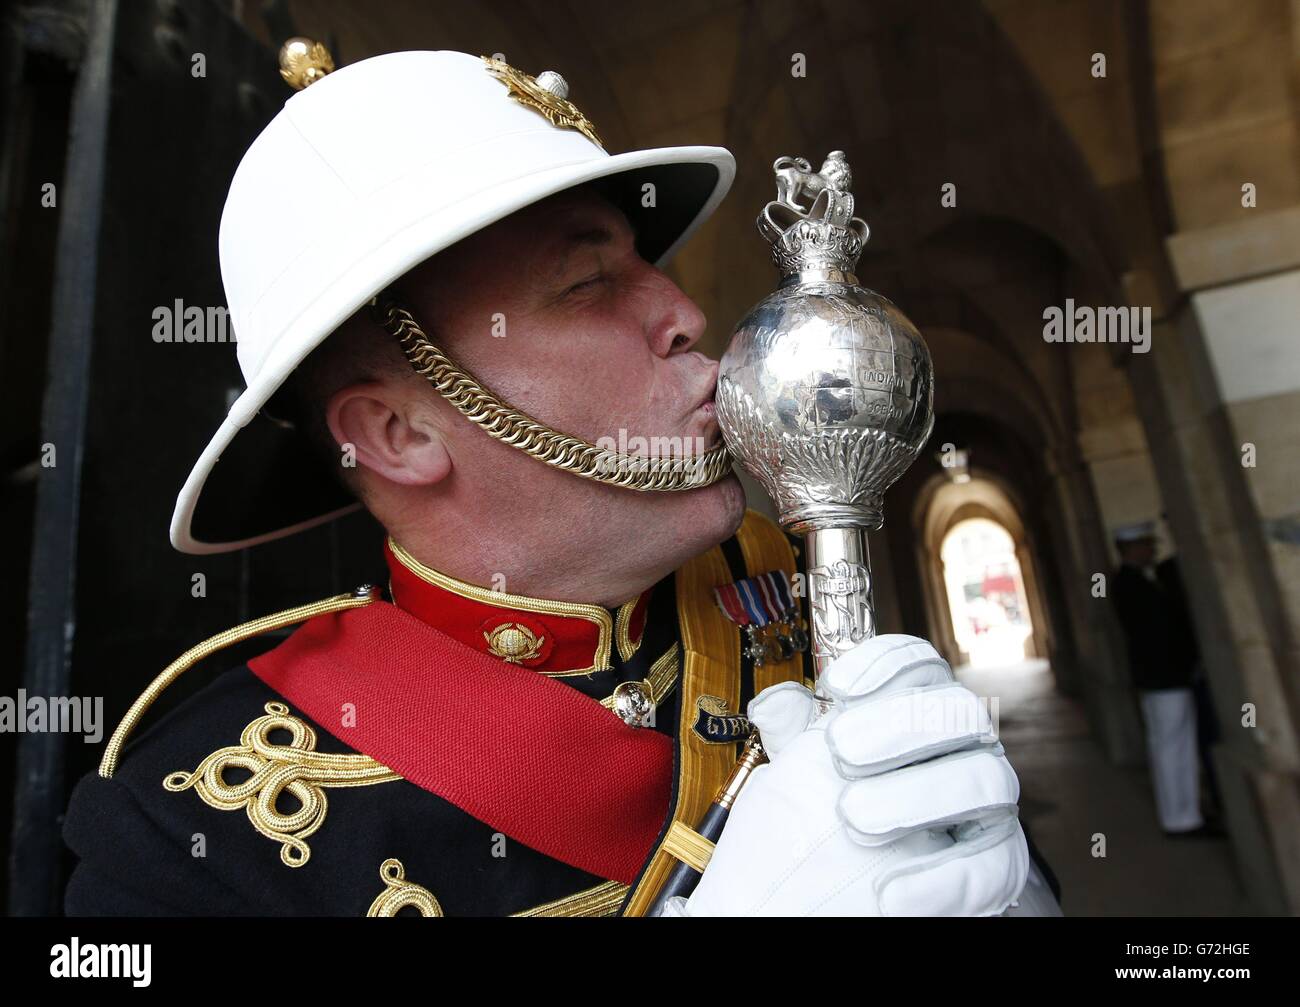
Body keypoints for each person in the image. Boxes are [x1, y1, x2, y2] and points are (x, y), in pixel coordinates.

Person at [62, 44, 1057, 916]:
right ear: (399, 431)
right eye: (589, 282)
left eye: (644, 264)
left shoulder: (775, 579)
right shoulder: (185, 844)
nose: (681, 311)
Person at [1111, 521, 1220, 838]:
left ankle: (1182, 813)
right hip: (1165, 678)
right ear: (1132, 548)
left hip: (1160, 678)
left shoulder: (1134, 582)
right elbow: (1159, 634)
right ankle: (1182, 818)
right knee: (1174, 748)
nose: (1153, 551)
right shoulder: (1132, 585)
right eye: (1148, 545)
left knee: (1170, 747)